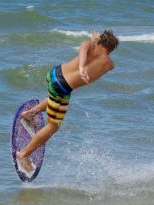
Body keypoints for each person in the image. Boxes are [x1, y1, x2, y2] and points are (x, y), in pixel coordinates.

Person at [17, 30, 119, 172]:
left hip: (54, 74)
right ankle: (24, 154)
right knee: (53, 127)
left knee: (57, 100)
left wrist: (89, 50)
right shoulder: (109, 64)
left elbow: (84, 49)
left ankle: (30, 113)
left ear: (99, 41)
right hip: (61, 87)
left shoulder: (88, 44)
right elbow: (94, 55)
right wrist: (82, 67)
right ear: (112, 49)